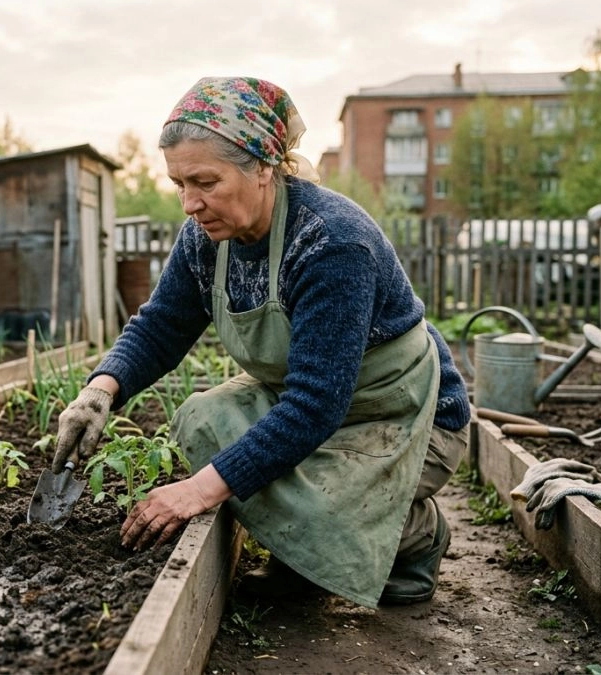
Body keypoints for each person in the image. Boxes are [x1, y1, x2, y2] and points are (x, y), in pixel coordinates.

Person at [51, 77, 471, 608]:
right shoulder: (205, 238)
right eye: (179, 184)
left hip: (406, 418)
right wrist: (100, 392)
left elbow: (315, 404)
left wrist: (195, 492)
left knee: (298, 499)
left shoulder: (332, 242)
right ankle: (308, 551)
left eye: (205, 181)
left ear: (263, 169)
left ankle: (417, 534)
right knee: (204, 422)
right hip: (314, 407)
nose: (189, 203)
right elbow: (161, 324)